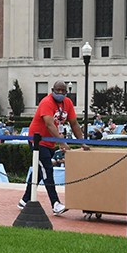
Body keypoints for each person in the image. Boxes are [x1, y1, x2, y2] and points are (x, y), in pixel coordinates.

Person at [19, 80, 85, 216]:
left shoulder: (68, 104)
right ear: (52, 90)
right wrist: (61, 142)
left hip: (50, 142)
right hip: (38, 141)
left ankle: (24, 200)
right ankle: (55, 204)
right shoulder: (46, 102)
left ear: (67, 92)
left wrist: (82, 142)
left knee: (38, 171)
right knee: (47, 170)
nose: (60, 93)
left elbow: (74, 123)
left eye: (63, 91)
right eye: (57, 91)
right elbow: (49, 124)